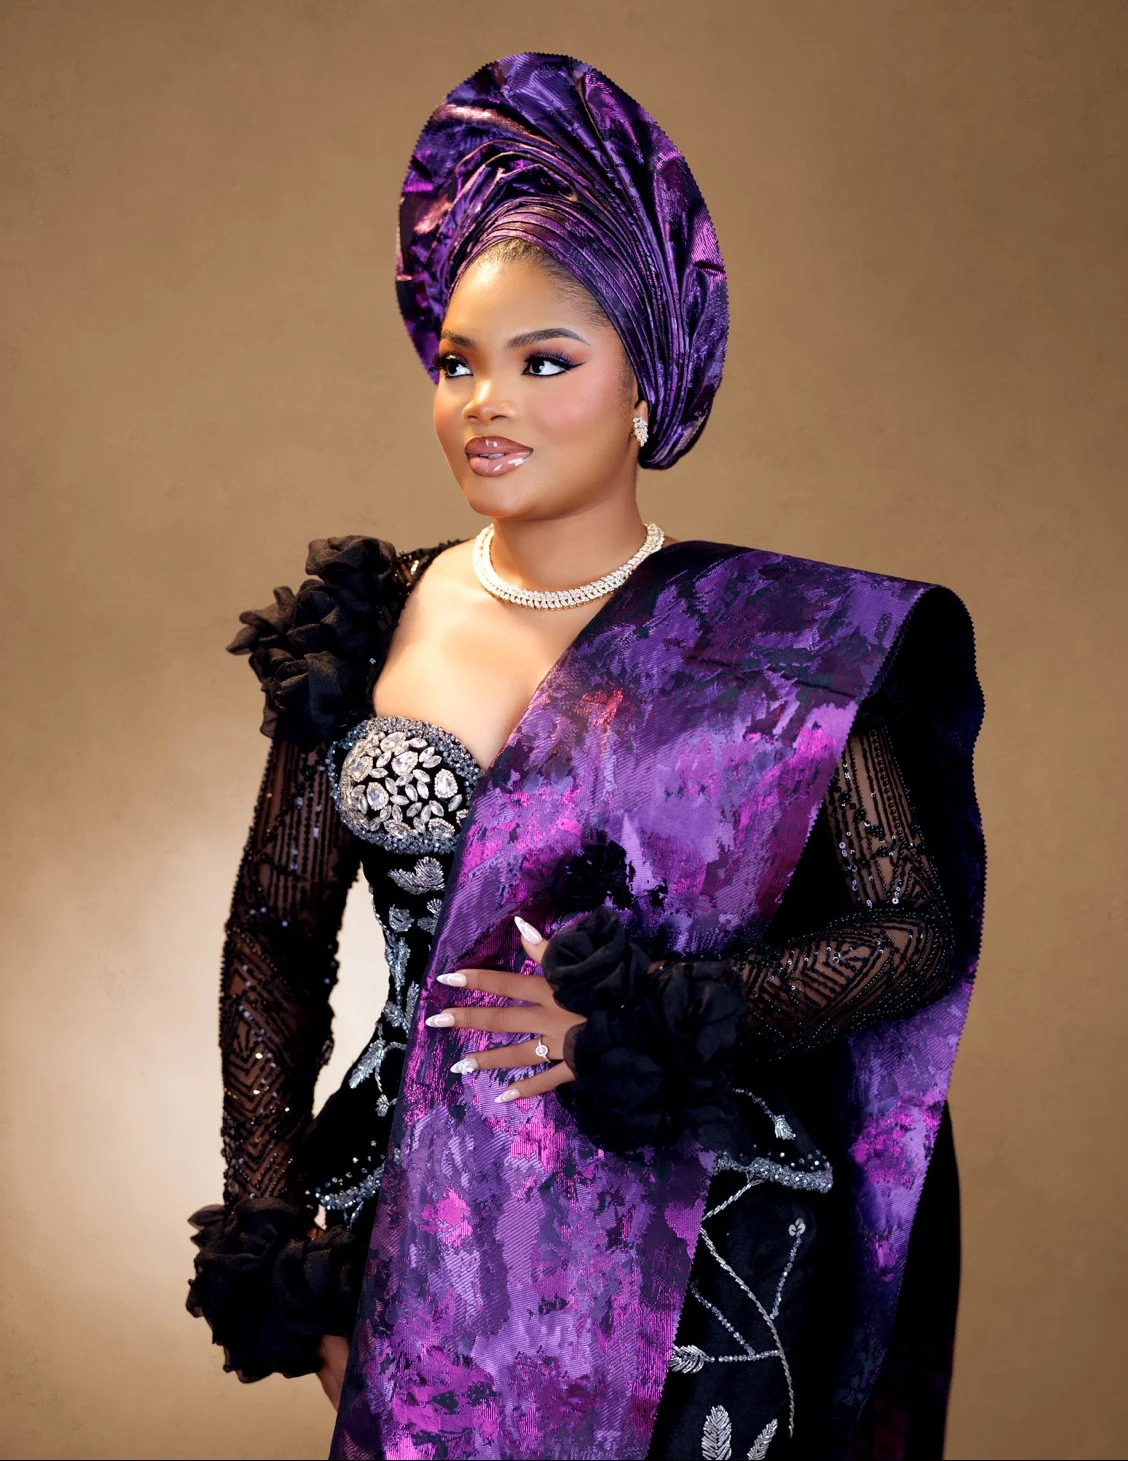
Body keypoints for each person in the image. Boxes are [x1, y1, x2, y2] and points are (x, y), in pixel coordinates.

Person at [186, 52, 984, 1461]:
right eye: (456, 362)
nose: (484, 401)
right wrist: (281, 1235)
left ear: (644, 385)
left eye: (543, 362)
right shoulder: (364, 628)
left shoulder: (778, 651)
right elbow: (272, 934)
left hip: (697, 1240)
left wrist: (648, 1015)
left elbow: (909, 928)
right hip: (419, 1228)